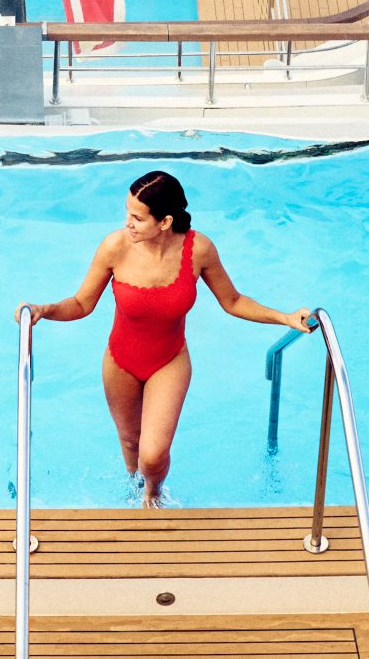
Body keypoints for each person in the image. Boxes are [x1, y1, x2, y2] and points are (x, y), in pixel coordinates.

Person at [21, 170, 310, 506]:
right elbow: (82, 304)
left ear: (165, 222)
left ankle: (153, 494)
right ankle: (133, 489)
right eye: (127, 213)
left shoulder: (198, 250)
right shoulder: (114, 247)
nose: (127, 223)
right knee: (130, 442)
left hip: (169, 361)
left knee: (153, 455)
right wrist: (44, 310)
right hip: (120, 362)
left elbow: (233, 301)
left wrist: (285, 317)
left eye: (137, 217)